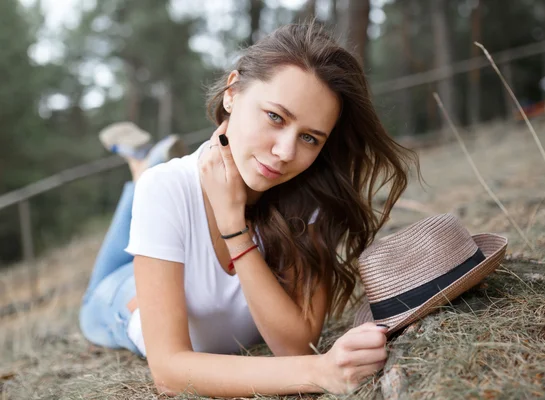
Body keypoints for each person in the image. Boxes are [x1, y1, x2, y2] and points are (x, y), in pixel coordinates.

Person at [78, 22, 419, 397]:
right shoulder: (167, 188)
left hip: (176, 220)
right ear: (232, 92)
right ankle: (141, 167)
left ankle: (143, 163)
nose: (286, 152)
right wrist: (319, 372)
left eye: (309, 137)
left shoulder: (309, 201)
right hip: (117, 300)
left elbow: (294, 345)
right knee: (141, 205)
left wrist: (233, 224)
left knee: (155, 187)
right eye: (275, 117)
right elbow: (169, 371)